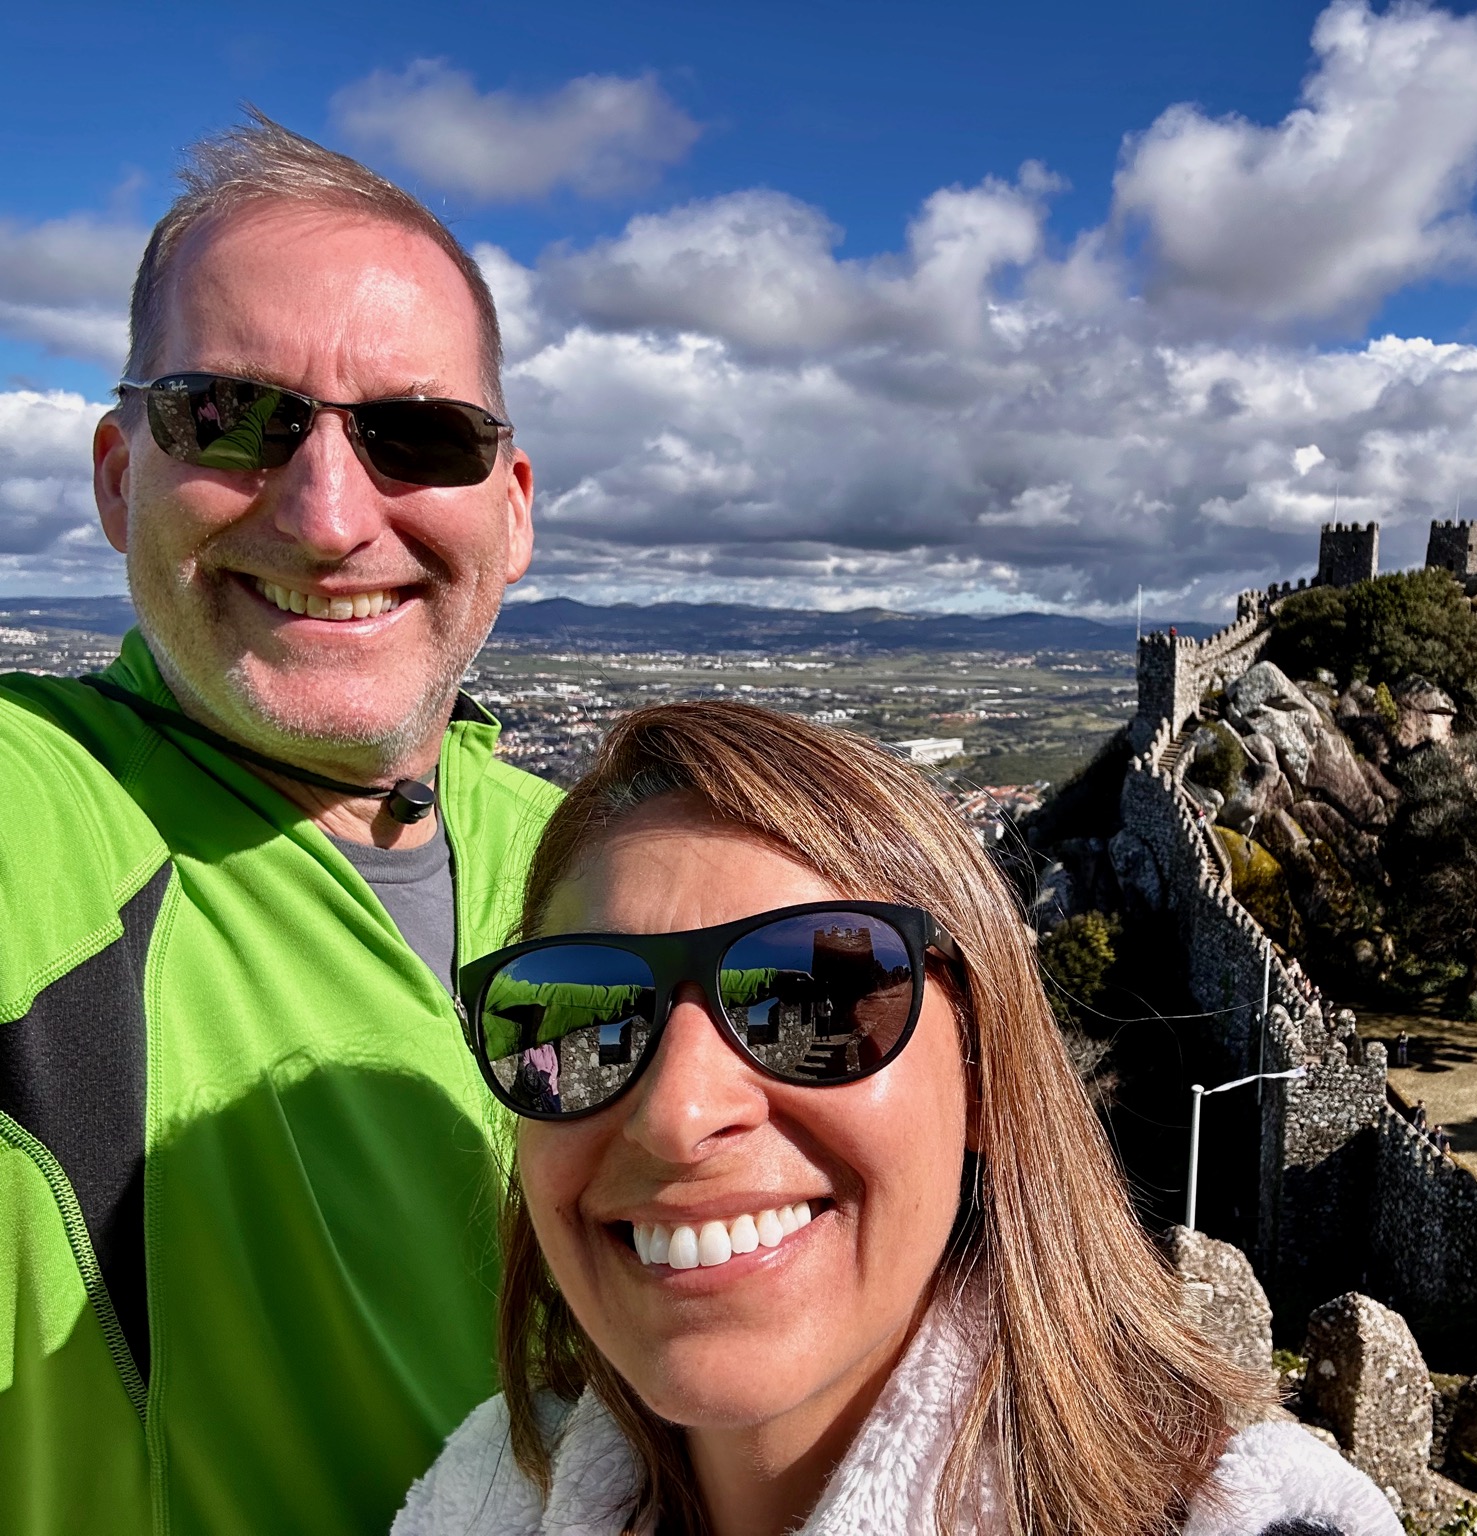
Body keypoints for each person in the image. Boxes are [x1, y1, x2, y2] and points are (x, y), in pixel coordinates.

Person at [395, 702, 1400, 1535]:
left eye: (817, 1001)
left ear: (983, 1076)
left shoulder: (1245, 1519)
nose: (675, 1112)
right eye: (581, 1013)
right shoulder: (480, 1499)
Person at [0, 115, 558, 1535]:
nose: (325, 516)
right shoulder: (46, 825)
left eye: (417, 435)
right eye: (230, 418)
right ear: (120, 476)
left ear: (512, 509)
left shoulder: (594, 863)